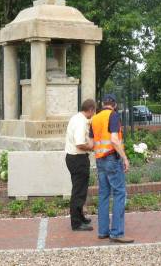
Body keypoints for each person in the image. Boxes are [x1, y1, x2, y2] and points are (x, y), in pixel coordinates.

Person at [89, 94, 134, 243]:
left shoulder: (94, 118)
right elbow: (114, 140)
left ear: (102, 104)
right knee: (120, 193)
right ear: (114, 105)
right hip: (111, 158)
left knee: (103, 195)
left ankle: (103, 231)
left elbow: (91, 144)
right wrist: (125, 158)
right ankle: (117, 233)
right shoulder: (113, 116)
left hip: (100, 159)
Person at [65, 99, 96, 231]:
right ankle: (76, 223)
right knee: (79, 192)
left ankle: (80, 217)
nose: (94, 114)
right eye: (94, 111)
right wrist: (91, 147)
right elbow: (79, 143)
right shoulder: (81, 122)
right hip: (78, 159)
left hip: (72, 158)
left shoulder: (76, 118)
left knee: (79, 190)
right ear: (90, 110)